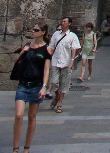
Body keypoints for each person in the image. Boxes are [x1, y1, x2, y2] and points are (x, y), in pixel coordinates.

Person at [12, 22, 52, 153]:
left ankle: (26, 148)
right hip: (23, 84)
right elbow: (17, 62)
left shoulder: (47, 49)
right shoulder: (28, 45)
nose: (33, 32)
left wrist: (44, 87)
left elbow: (46, 70)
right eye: (33, 29)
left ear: (43, 32)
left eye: (35, 30)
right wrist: (23, 52)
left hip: (36, 85)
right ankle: (15, 148)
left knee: (32, 117)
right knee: (18, 115)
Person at [48, 17, 80, 113]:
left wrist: (72, 60)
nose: (62, 23)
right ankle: (56, 97)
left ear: (69, 24)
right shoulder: (56, 34)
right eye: (62, 21)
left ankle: (60, 103)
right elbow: (51, 46)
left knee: (64, 84)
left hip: (66, 62)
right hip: (55, 61)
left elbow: (74, 48)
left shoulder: (72, 36)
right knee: (54, 82)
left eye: (64, 21)